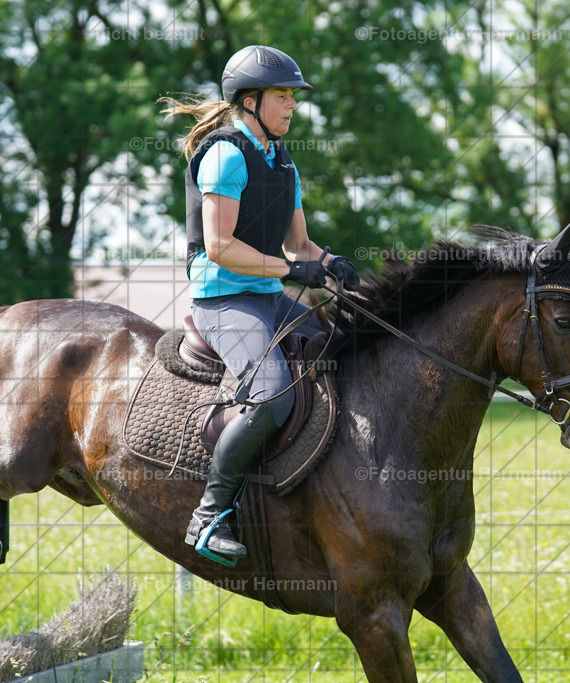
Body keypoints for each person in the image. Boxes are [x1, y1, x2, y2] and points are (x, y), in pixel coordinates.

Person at [159, 45, 359, 566]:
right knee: (271, 394)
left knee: (347, 352)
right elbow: (221, 245)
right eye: (283, 96)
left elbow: (300, 247)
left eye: (293, 96)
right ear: (250, 102)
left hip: (268, 297)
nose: (292, 105)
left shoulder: (283, 161)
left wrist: (334, 264)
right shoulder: (225, 154)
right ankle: (209, 516)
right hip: (223, 300)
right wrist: (295, 271)